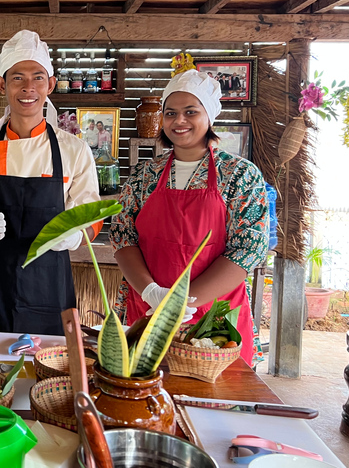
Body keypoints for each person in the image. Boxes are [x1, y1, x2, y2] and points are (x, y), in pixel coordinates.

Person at [109, 69, 268, 366]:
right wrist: (152, 292)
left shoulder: (240, 175)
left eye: (190, 112)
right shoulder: (146, 174)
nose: (178, 121)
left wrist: (183, 301)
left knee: (213, 404)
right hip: (147, 307)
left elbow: (248, 249)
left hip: (212, 317)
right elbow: (122, 236)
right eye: (170, 113)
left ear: (209, 116)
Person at [0, 30, 101, 335]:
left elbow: (90, 219)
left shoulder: (74, 150)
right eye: (17, 78)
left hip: (49, 284)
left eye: (38, 77)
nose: (28, 88)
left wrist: (74, 236)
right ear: (2, 84)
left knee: (48, 368)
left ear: (51, 84)